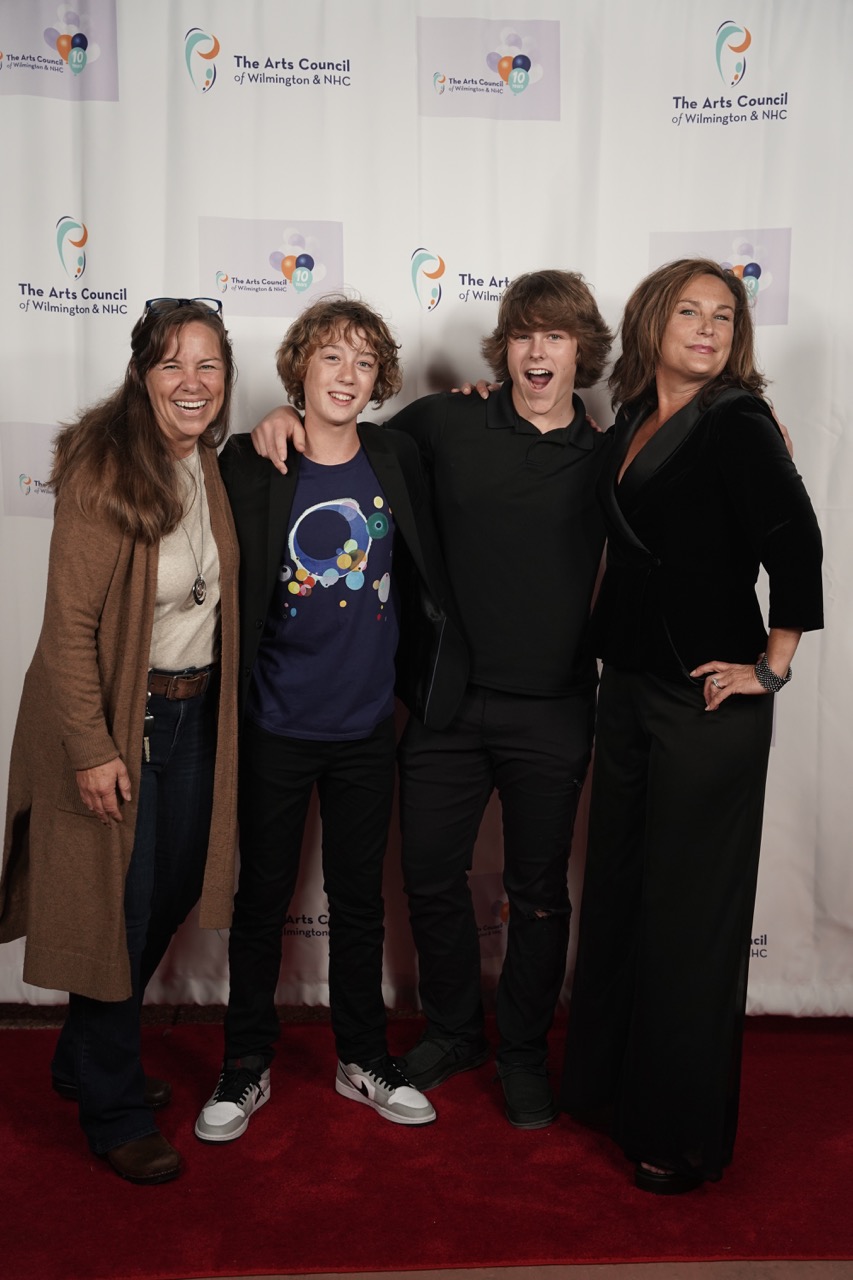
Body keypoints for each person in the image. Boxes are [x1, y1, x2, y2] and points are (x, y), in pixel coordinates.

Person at [250, 271, 613, 1129]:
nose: (536, 351)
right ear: (504, 348)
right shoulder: (444, 422)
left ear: (581, 353)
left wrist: (755, 419)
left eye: (555, 336)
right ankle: (454, 1031)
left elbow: (689, 457)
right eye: (523, 334)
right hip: (445, 705)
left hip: (553, 709)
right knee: (428, 877)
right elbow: (344, 442)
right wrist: (278, 419)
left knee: (537, 892)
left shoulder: (610, 450)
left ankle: (521, 1051)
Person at [559, 258, 824, 1193]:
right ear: (652, 324)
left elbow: (796, 544)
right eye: (688, 312)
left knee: (686, 920)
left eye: (723, 315)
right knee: (619, 891)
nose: (707, 328)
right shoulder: (634, 414)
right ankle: (605, 1087)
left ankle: (677, 1135)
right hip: (628, 687)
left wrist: (770, 666)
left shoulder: (738, 422)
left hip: (707, 703)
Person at [194, 297, 467, 1144]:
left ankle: (362, 1058)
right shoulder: (252, 462)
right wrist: (270, 425)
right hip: (275, 724)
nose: (347, 376)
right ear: (300, 371)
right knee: (261, 899)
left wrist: (488, 393)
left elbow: (467, 432)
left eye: (363, 362)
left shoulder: (396, 455)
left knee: (357, 903)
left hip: (365, 729)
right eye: (330, 359)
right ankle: (246, 1063)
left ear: (379, 379)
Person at [0, 298, 240, 1184]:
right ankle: (112, 1110)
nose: (192, 382)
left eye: (208, 365)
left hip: (194, 713)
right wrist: (93, 750)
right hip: (115, 721)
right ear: (142, 374)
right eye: (172, 364)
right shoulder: (107, 468)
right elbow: (67, 629)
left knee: (172, 889)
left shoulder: (205, 461)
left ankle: (81, 1054)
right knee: (116, 914)